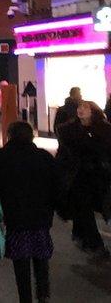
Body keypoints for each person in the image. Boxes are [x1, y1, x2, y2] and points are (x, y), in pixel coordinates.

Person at [0, 121, 60, 303]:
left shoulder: (2, 157)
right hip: (41, 219)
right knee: (41, 259)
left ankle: (25, 298)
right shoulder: (43, 157)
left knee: (21, 261)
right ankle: (43, 295)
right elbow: (57, 185)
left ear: (10, 136)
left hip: (16, 219)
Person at [56, 100, 111, 257]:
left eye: (85, 107)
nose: (81, 110)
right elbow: (64, 154)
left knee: (91, 208)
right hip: (78, 176)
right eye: (80, 107)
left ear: (93, 111)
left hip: (99, 176)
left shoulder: (104, 129)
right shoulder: (68, 131)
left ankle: (80, 235)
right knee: (83, 207)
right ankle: (95, 244)